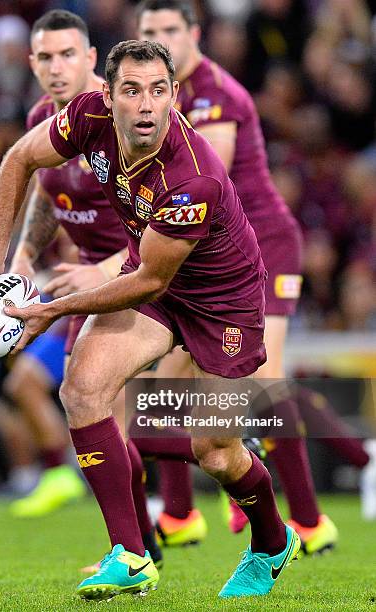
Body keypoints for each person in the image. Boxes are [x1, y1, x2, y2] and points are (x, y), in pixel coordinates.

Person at [0, 40, 301, 601]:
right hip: (158, 278)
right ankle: (132, 555)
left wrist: (48, 310)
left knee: (216, 451)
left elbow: (147, 283)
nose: (146, 105)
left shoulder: (192, 177)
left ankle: (271, 540)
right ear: (108, 94)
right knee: (83, 388)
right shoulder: (87, 116)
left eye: (159, 91)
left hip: (223, 302)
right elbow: (21, 158)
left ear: (173, 96)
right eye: (133, 91)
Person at [136, 0, 338, 554]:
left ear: (193, 32)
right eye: (149, 31)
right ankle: (178, 514)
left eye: (169, 29)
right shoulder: (158, 99)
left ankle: (310, 521)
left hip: (264, 243)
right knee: (163, 386)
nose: (160, 38)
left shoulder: (215, 93)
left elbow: (208, 176)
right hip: (208, 251)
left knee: (266, 377)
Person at [2, 9, 128, 518]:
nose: (57, 67)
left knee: (113, 414)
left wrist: (108, 267)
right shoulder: (40, 122)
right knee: (37, 386)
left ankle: (151, 534)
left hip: (145, 280)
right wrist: (25, 255)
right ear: (32, 64)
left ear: (92, 58)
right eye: (46, 57)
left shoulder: (123, 117)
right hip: (83, 285)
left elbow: (169, 215)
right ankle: (64, 478)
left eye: (68, 55)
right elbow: (45, 192)